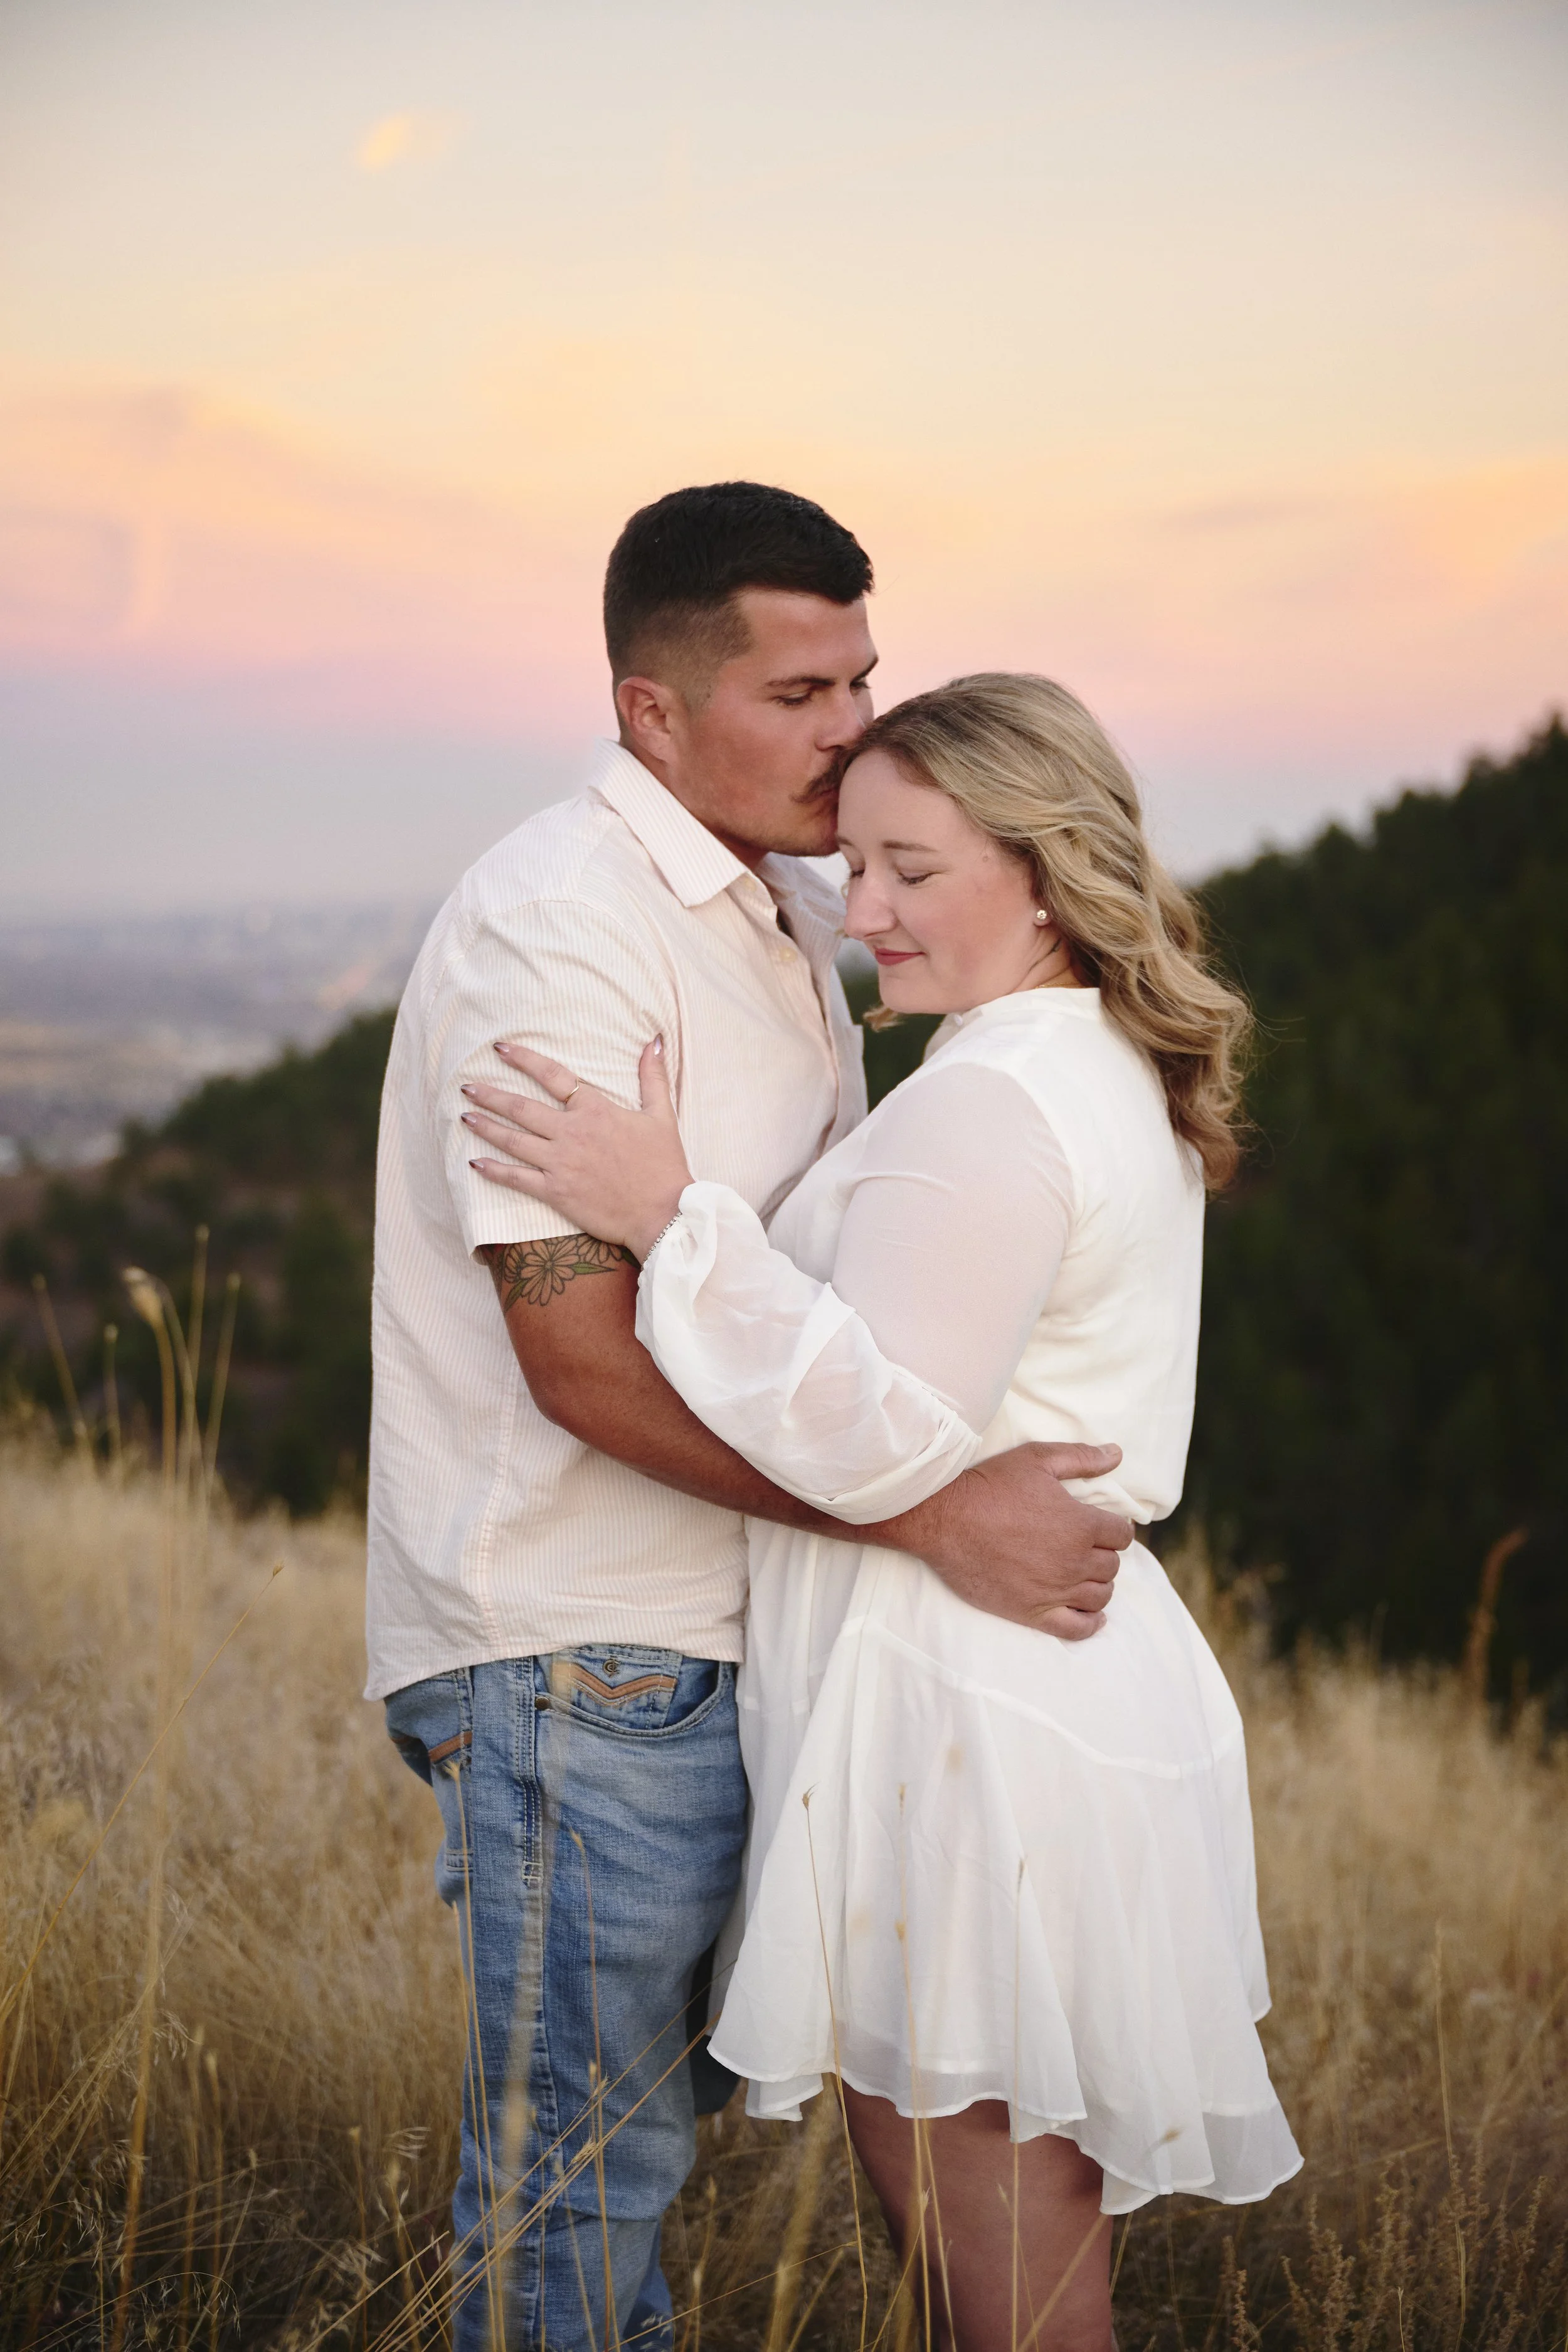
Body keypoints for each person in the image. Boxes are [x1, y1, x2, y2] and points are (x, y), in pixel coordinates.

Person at [367, 489, 1135, 2352]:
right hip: (584, 1647)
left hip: (747, 1625)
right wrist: (933, 1513)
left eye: (862, 675)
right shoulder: (556, 929)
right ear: (650, 709)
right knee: (582, 2178)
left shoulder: (803, 896)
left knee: (743, 2145)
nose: (852, 726)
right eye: (799, 689)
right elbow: (583, 1358)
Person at [463, 671, 1304, 2352]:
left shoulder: (990, 1100)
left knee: (997, 2261)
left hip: (973, 1708)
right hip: (1019, 1686)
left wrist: (670, 1211)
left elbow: (873, 1429)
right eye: (853, 865)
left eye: (911, 868)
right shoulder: (1070, 1065)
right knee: (998, 2237)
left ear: (1048, 866)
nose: (863, 914)